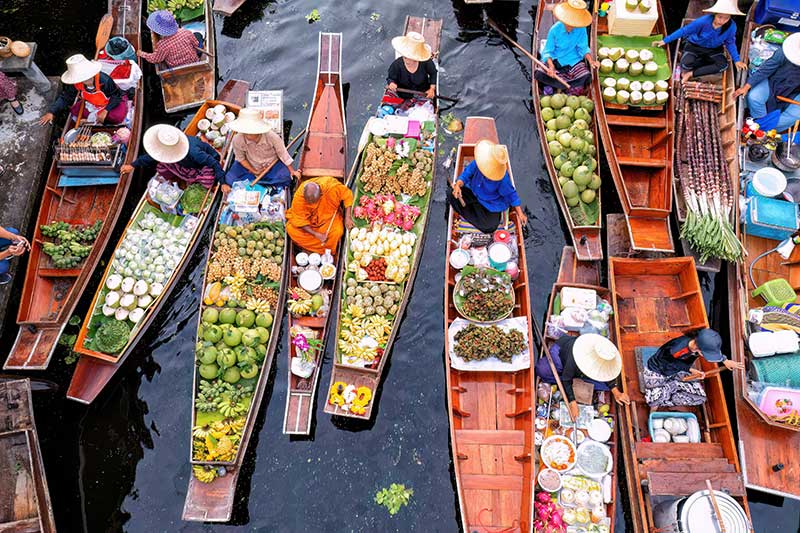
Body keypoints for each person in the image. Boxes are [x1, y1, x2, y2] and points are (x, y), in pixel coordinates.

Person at [538, 333, 630, 420]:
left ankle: (575, 378)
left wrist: (617, 393)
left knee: (606, 386)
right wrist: (572, 402)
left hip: (578, 370)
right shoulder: (575, 357)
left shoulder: (603, 356)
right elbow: (566, 379)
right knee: (542, 370)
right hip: (562, 355)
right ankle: (567, 378)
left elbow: (607, 372)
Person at [644, 328, 743, 408]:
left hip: (675, 370)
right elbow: (671, 363)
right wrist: (691, 370)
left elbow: (713, 350)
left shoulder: (698, 343)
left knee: (700, 398)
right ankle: (673, 386)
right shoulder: (677, 349)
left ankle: (672, 387)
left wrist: (725, 360)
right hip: (658, 369)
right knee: (653, 402)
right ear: (697, 347)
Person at [653, 0, 746, 84]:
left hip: (713, 49)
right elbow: (684, 31)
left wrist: (736, 60)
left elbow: (730, 43)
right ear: (715, 14)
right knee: (685, 64)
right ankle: (702, 62)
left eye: (726, 18)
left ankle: (691, 73)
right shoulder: (703, 21)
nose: (722, 21)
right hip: (695, 46)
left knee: (723, 66)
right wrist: (665, 40)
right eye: (720, 17)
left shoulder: (732, 26)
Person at [447, 139, 528, 234]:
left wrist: (520, 214)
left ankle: (471, 211)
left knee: (490, 227)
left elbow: (511, 195)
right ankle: (474, 211)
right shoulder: (480, 161)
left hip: (490, 203)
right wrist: (458, 185)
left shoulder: (502, 179)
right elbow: (466, 174)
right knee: (450, 193)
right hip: (473, 191)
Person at [733, 32, 800, 132]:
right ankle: (759, 124)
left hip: (794, 91)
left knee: (795, 115)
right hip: (772, 82)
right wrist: (746, 86)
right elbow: (766, 69)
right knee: (754, 97)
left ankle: (764, 128)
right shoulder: (784, 52)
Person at [223, 107, 300, 194]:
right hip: (251, 165)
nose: (248, 133)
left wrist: (292, 171)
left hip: (271, 165)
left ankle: (258, 183)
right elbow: (241, 158)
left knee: (285, 177)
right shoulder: (237, 139)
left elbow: (283, 154)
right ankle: (264, 183)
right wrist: (254, 171)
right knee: (229, 178)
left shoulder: (272, 137)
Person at [120, 124, 224, 188]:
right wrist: (133, 165)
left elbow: (214, 163)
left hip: (201, 165)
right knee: (161, 166)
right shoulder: (166, 148)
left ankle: (191, 178)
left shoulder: (194, 152)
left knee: (207, 181)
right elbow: (152, 156)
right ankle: (178, 179)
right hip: (183, 162)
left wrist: (222, 182)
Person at [40, 54, 126, 126]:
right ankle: (94, 121)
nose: (86, 81)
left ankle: (96, 122)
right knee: (74, 110)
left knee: (117, 117)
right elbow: (66, 97)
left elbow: (116, 96)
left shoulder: (105, 80)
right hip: (93, 104)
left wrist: (106, 110)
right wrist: (52, 112)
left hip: (109, 102)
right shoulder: (76, 83)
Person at [536, 0, 599, 93]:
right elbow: (548, 51)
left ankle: (560, 86)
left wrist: (591, 61)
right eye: (569, 24)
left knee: (586, 75)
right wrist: (551, 66)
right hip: (556, 59)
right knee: (539, 73)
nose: (571, 26)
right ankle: (561, 86)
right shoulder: (554, 30)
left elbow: (583, 48)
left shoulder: (581, 29)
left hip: (573, 61)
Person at [286, 177, 353, 254]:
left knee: (337, 232)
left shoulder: (331, 186)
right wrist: (315, 234)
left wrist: (348, 217)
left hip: (328, 219)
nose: (312, 205)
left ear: (321, 194)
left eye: (314, 202)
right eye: (309, 202)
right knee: (291, 230)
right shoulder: (299, 197)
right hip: (310, 223)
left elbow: (347, 196)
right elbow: (299, 219)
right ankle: (318, 249)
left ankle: (322, 250)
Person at [386, 31, 438, 100]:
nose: (406, 59)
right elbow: (390, 78)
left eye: (410, 57)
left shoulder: (426, 62)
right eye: (405, 57)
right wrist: (391, 83)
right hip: (402, 93)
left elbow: (433, 73)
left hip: (422, 91)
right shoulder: (396, 64)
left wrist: (432, 89)